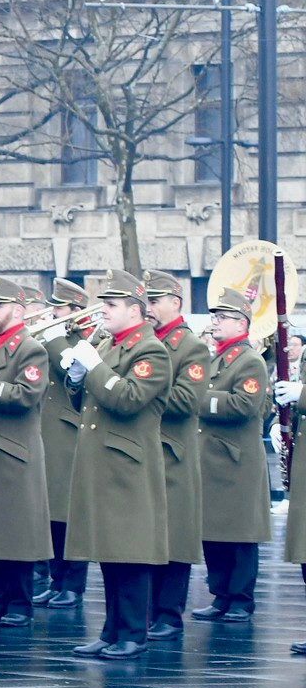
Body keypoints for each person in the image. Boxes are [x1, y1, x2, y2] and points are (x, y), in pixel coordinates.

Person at [52, 270, 170, 659]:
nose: (103, 310)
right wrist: (75, 376)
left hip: (129, 466)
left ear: (135, 311)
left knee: (130, 553)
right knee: (109, 551)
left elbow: (128, 399)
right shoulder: (108, 344)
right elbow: (84, 403)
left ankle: (133, 633)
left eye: (112, 305)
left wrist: (95, 368)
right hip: (104, 462)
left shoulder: (150, 351)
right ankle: (112, 629)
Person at [0, 277, 53, 629]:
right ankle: (1, 596)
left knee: (17, 531)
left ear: (18, 311)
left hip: (15, 451)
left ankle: (20, 601)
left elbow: (25, 395)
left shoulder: (30, 349)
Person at [194, 287, 272, 622]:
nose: (215, 322)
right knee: (212, 531)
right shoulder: (218, 356)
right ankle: (221, 594)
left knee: (239, 534)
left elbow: (245, 404)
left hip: (236, 459)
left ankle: (241, 599)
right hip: (213, 457)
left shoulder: (249, 360)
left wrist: (202, 400)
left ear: (242, 323)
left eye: (222, 317)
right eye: (215, 316)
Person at [142, 271, 206, 642]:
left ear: (175, 303)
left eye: (154, 301)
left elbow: (186, 401)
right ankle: (146, 610)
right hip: (143, 449)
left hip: (172, 452)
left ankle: (168, 613)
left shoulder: (189, 347)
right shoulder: (146, 341)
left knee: (174, 536)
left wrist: (142, 390)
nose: (148, 309)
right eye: (146, 302)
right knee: (146, 535)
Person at [34, 277, 91, 608]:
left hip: (70, 433)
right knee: (53, 514)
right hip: (48, 430)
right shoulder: (53, 337)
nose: (51, 313)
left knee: (70, 513)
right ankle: (57, 581)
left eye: (58, 308)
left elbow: (70, 365)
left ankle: (73, 584)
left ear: (75, 310)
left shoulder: (86, 337)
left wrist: (54, 338)